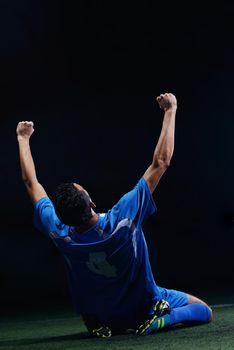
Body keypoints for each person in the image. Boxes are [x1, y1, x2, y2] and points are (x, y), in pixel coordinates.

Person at [16, 93, 213, 338]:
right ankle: (161, 318)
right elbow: (161, 162)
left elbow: (30, 182)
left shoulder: (58, 230)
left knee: (98, 303)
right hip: (142, 305)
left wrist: (22, 138)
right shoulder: (123, 218)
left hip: (104, 313)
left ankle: (94, 318)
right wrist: (170, 110)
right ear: (92, 202)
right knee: (203, 310)